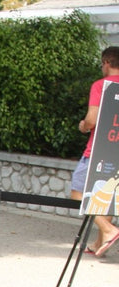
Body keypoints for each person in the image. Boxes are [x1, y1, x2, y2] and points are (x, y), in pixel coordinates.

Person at [72, 46, 119, 256]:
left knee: (77, 190)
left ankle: (108, 230)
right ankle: (100, 243)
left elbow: (91, 120)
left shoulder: (102, 86)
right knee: (108, 196)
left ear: (107, 62)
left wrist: (83, 125)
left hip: (98, 149)